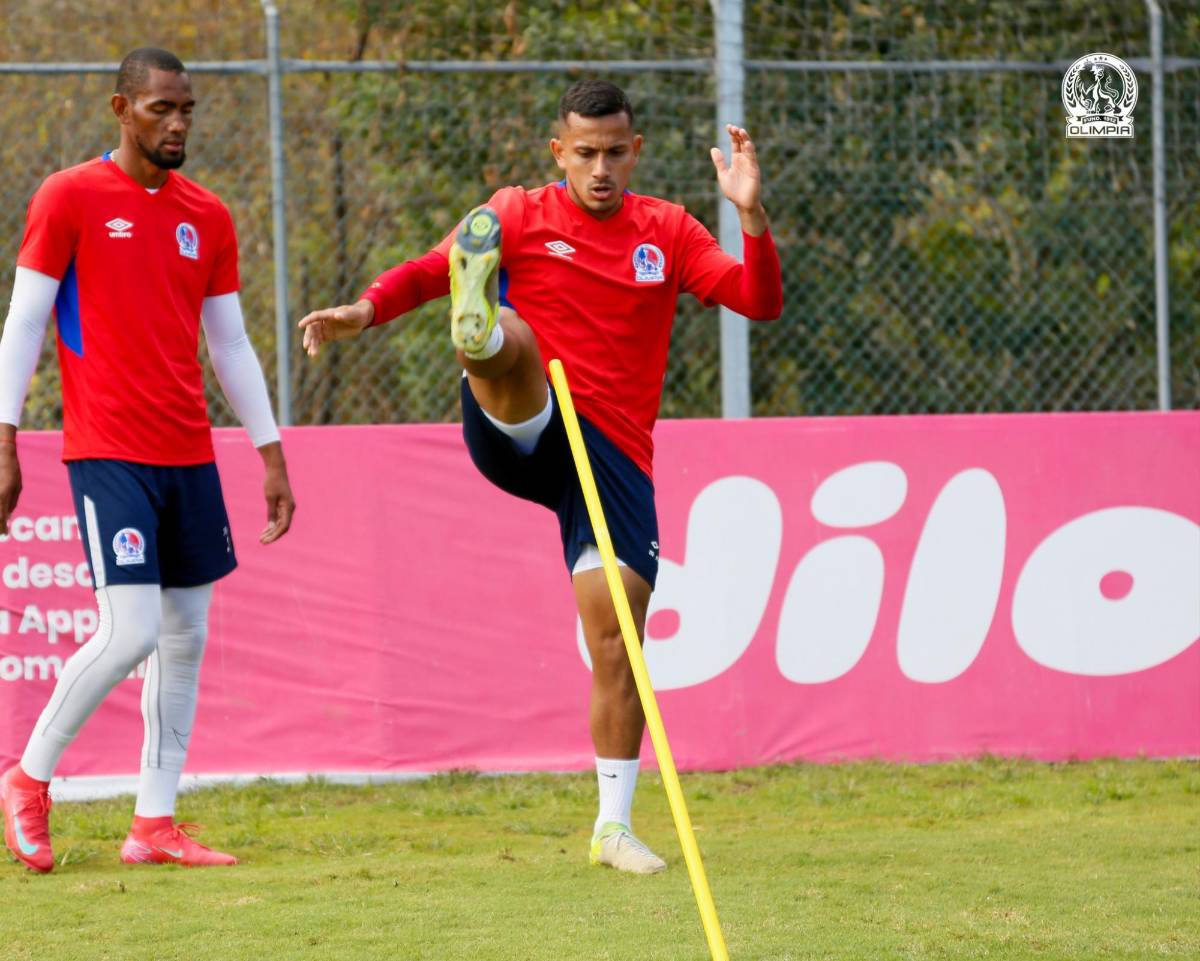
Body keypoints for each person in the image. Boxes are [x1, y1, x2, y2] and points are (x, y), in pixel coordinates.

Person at [299, 79, 781, 874]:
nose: (600, 168)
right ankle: (477, 331)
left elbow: (757, 302)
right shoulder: (517, 213)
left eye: (614, 152)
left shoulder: (670, 229)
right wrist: (362, 310)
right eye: (584, 152)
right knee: (515, 342)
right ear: (559, 151)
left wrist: (750, 215)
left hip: (615, 459)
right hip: (529, 424)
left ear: (636, 151)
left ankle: (612, 828)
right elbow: (428, 267)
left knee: (617, 641)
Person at [0, 48, 295, 872]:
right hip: (107, 451)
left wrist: (270, 452)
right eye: (162, 108)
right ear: (121, 109)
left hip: (189, 453)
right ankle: (27, 775)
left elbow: (230, 341)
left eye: (187, 110)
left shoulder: (209, 213)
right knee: (129, 631)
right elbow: (24, 325)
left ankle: (153, 824)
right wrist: (5, 438)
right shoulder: (69, 196)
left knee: (185, 639)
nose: (178, 124)